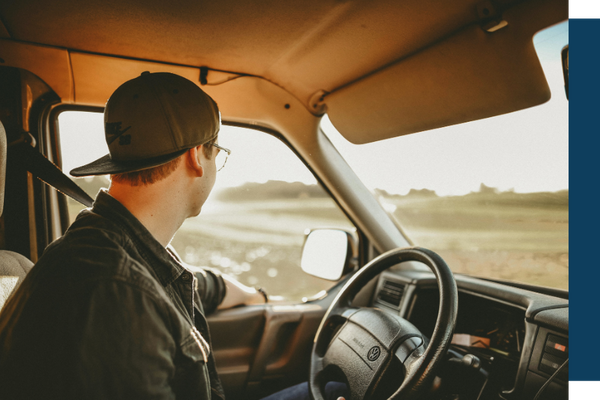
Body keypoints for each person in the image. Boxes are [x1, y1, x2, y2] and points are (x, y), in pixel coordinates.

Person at [0, 72, 265, 399]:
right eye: (217, 154)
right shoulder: (114, 295)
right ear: (197, 156)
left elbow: (176, 281)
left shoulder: (111, 244)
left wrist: (252, 295)